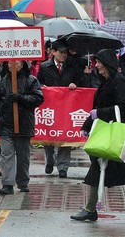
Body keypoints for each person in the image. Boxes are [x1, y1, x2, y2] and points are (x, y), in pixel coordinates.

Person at [71, 48, 125, 222]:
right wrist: (87, 125)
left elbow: (122, 107)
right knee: (102, 167)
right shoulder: (105, 81)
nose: (96, 66)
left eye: (99, 63)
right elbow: (97, 107)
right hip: (106, 132)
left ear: (107, 64)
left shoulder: (119, 82)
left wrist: (100, 114)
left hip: (116, 134)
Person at [0, 61, 44, 195]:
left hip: (24, 124)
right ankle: (7, 184)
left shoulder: (31, 80)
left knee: (23, 156)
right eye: (11, 62)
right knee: (6, 155)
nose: (14, 64)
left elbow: (39, 98)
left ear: (23, 64)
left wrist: (22, 98)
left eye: (18, 62)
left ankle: (23, 182)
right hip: (5, 124)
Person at [37, 40, 82, 178]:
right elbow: (38, 83)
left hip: (66, 107)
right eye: (61, 52)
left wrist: (75, 84)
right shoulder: (45, 66)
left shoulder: (72, 66)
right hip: (50, 107)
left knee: (65, 135)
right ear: (53, 52)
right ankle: (50, 160)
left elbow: (80, 82)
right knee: (49, 135)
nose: (64, 55)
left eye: (65, 53)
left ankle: (63, 167)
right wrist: (43, 87)